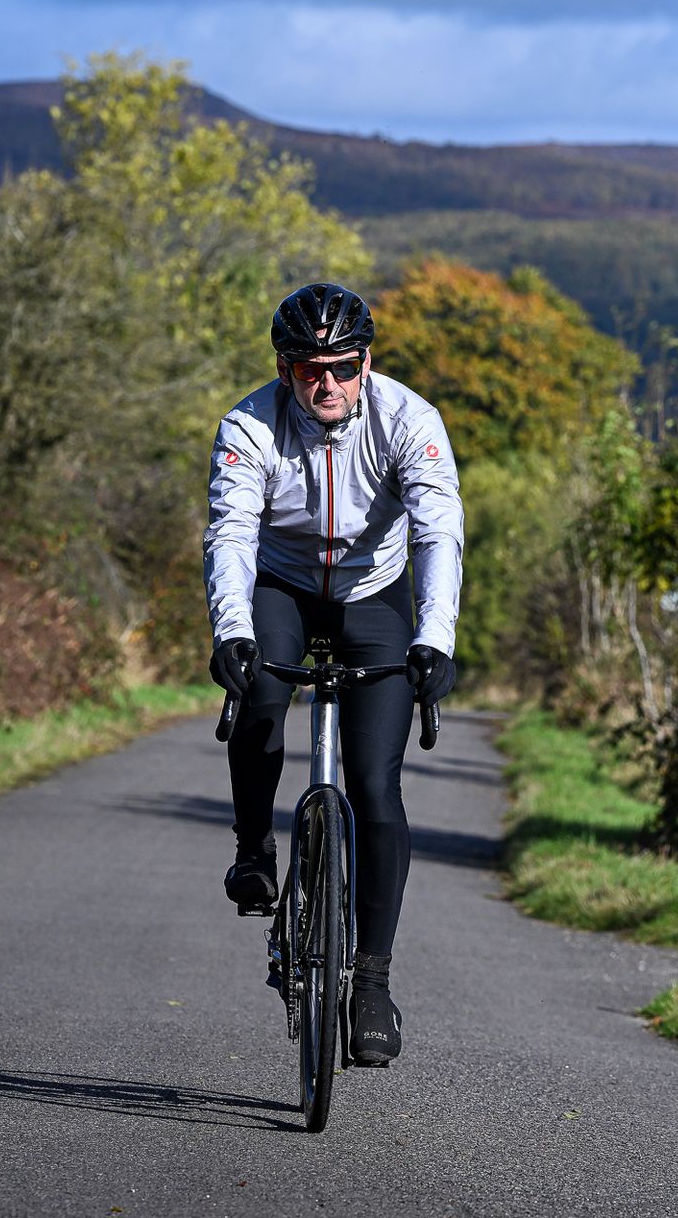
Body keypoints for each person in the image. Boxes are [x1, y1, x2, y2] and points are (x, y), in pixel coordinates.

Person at [203, 281, 462, 1066]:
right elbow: (231, 532)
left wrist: (434, 637)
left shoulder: (409, 420)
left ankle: (373, 980)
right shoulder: (247, 425)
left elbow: (438, 528)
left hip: (371, 595)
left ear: (365, 364)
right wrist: (233, 629)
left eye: (342, 367)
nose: (327, 383)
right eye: (309, 368)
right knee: (258, 698)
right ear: (284, 369)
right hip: (279, 585)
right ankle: (255, 850)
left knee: (376, 787)